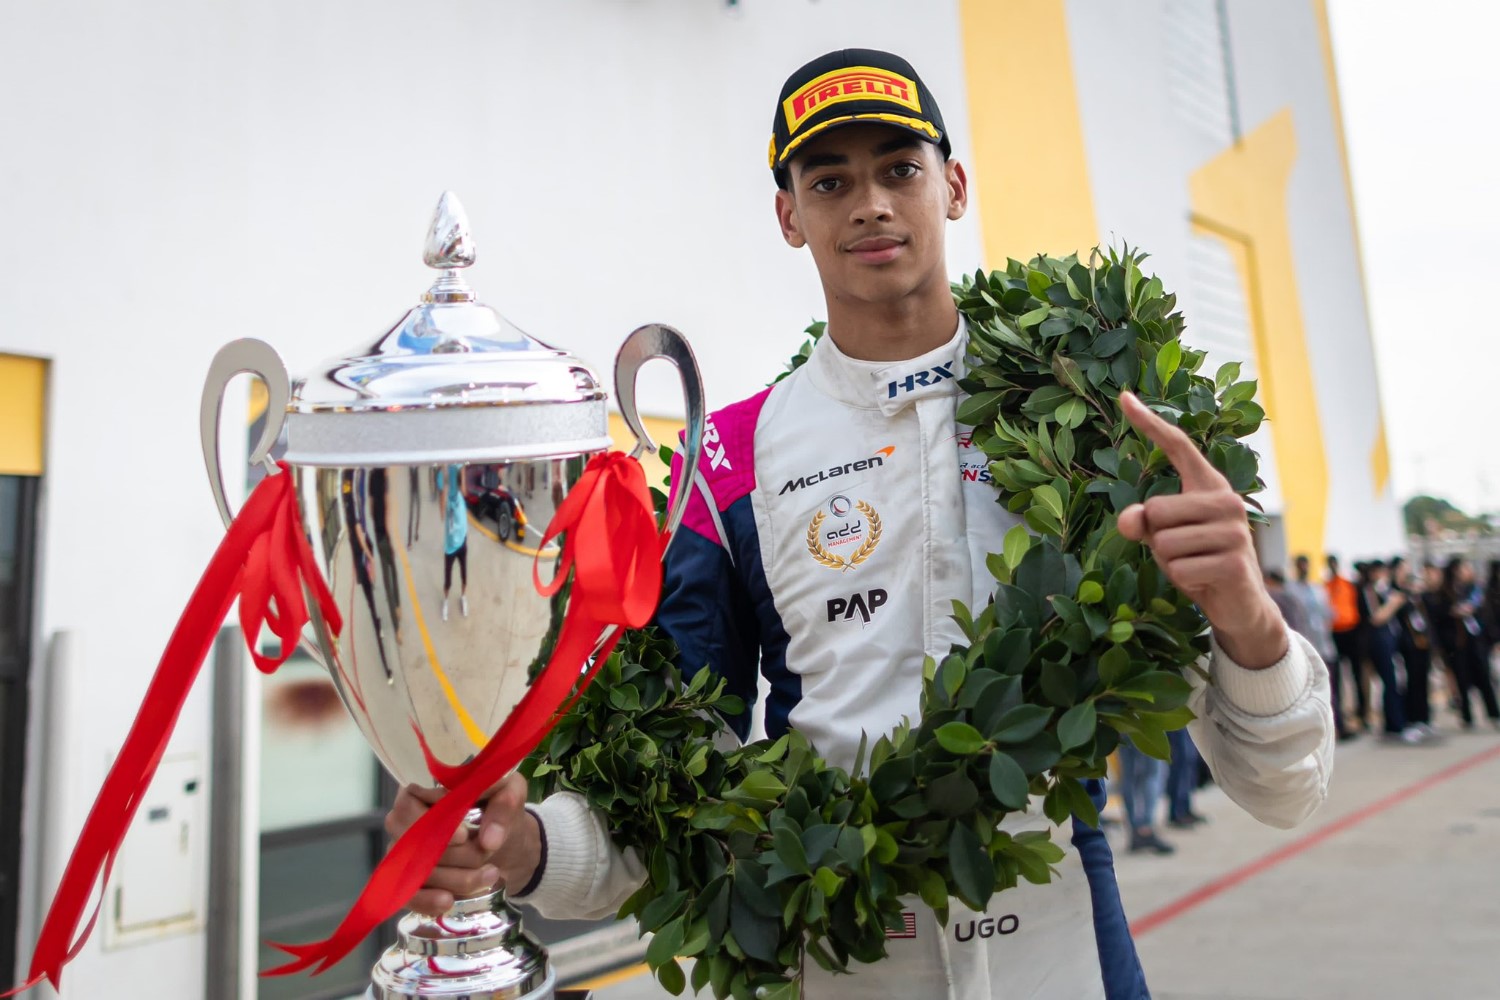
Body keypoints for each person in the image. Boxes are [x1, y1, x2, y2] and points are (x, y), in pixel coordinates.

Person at [386, 49, 1335, 997]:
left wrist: (1245, 613)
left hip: (1068, 952)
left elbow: (1285, 790)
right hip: (838, 962)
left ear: (953, 187)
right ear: (789, 216)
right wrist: (527, 842)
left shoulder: (1090, 425)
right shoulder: (729, 462)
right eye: (830, 180)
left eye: (900, 169)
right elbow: (675, 794)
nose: (871, 203)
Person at [1430, 557, 1500, 729]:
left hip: (1475, 640)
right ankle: (1467, 716)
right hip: (1456, 643)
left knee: (1484, 677)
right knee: (1462, 679)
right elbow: (1437, 617)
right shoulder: (1444, 593)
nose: (1467, 571)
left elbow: (1485, 614)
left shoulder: (1474, 590)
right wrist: (1452, 612)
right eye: (1463, 568)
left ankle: (1493, 713)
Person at [1388, 557, 1437, 737]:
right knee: (1409, 683)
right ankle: (1411, 719)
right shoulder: (1394, 593)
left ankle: (1424, 718)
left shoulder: (1415, 594)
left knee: (1422, 681)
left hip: (1421, 643)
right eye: (1401, 569)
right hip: (1405, 645)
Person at [1326, 555, 1368, 736]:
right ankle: (1341, 715)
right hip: (1336, 634)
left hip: (1352, 632)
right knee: (1337, 678)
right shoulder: (1325, 587)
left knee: (1357, 674)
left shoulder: (1347, 585)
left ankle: (1363, 712)